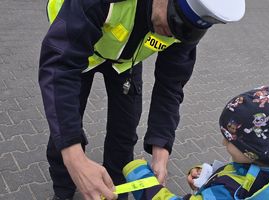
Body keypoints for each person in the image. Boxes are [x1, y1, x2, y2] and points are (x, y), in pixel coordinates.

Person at [38, 0, 245, 199]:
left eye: (183, 30)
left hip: (125, 61)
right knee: (65, 126)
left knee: (124, 133)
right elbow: (60, 67)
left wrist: (161, 151)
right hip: (78, 50)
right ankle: (63, 190)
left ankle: (116, 192)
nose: (171, 33)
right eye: (173, 21)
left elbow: (171, 85)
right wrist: (75, 158)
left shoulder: (186, 25)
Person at [123, 86, 269, 199]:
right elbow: (243, 176)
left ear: (250, 151)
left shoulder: (228, 191)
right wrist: (210, 176)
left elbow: (231, 189)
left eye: (229, 139)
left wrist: (138, 174)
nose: (223, 142)